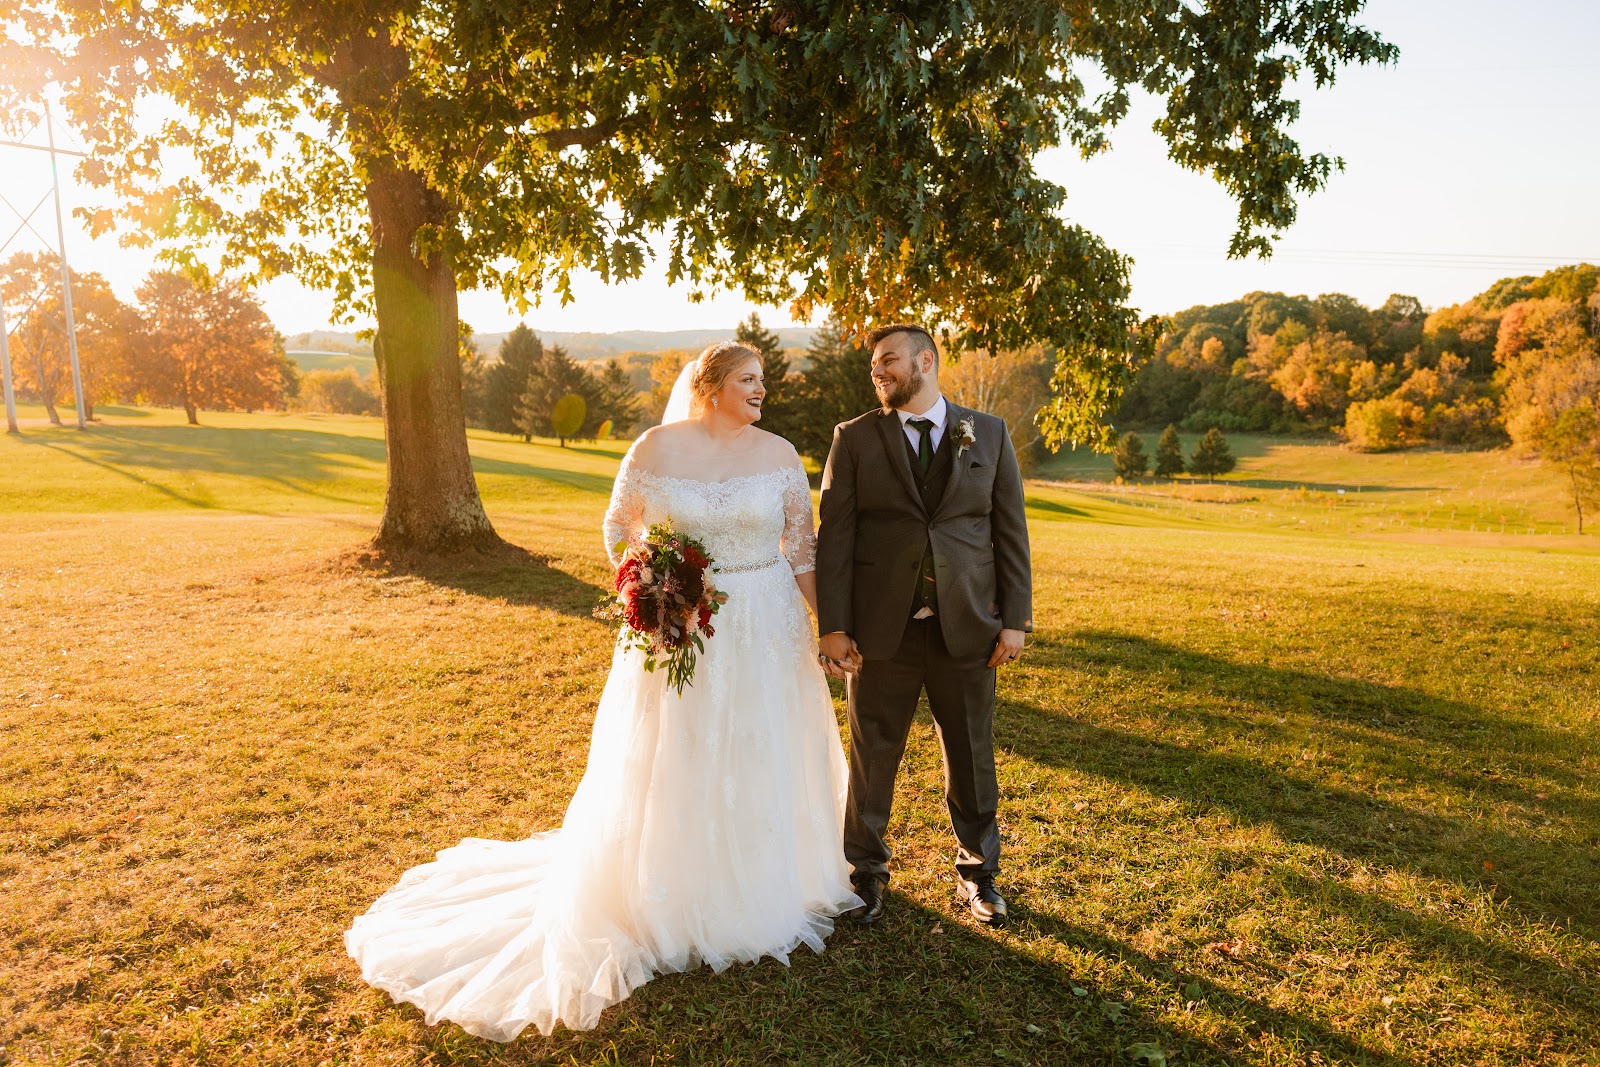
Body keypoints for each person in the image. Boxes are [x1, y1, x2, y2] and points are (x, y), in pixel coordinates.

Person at [346, 341, 860, 1042]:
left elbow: (800, 549)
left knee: (760, 740)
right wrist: (653, 588)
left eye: (763, 380)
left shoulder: (779, 455)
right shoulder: (655, 446)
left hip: (767, 623)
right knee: (679, 748)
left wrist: (828, 625)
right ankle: (673, 886)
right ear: (710, 386)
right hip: (683, 626)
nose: (761, 390)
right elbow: (620, 526)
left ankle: (770, 873)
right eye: (748, 379)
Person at [814, 323, 1033, 929]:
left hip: (970, 627)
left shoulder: (988, 431)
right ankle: (866, 874)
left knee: (972, 753)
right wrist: (834, 625)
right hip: (880, 630)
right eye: (873, 364)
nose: (877, 371)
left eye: (888, 359)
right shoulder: (854, 437)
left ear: (927, 361)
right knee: (872, 755)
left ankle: (979, 874)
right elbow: (836, 536)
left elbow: (1010, 529)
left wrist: (1015, 620)